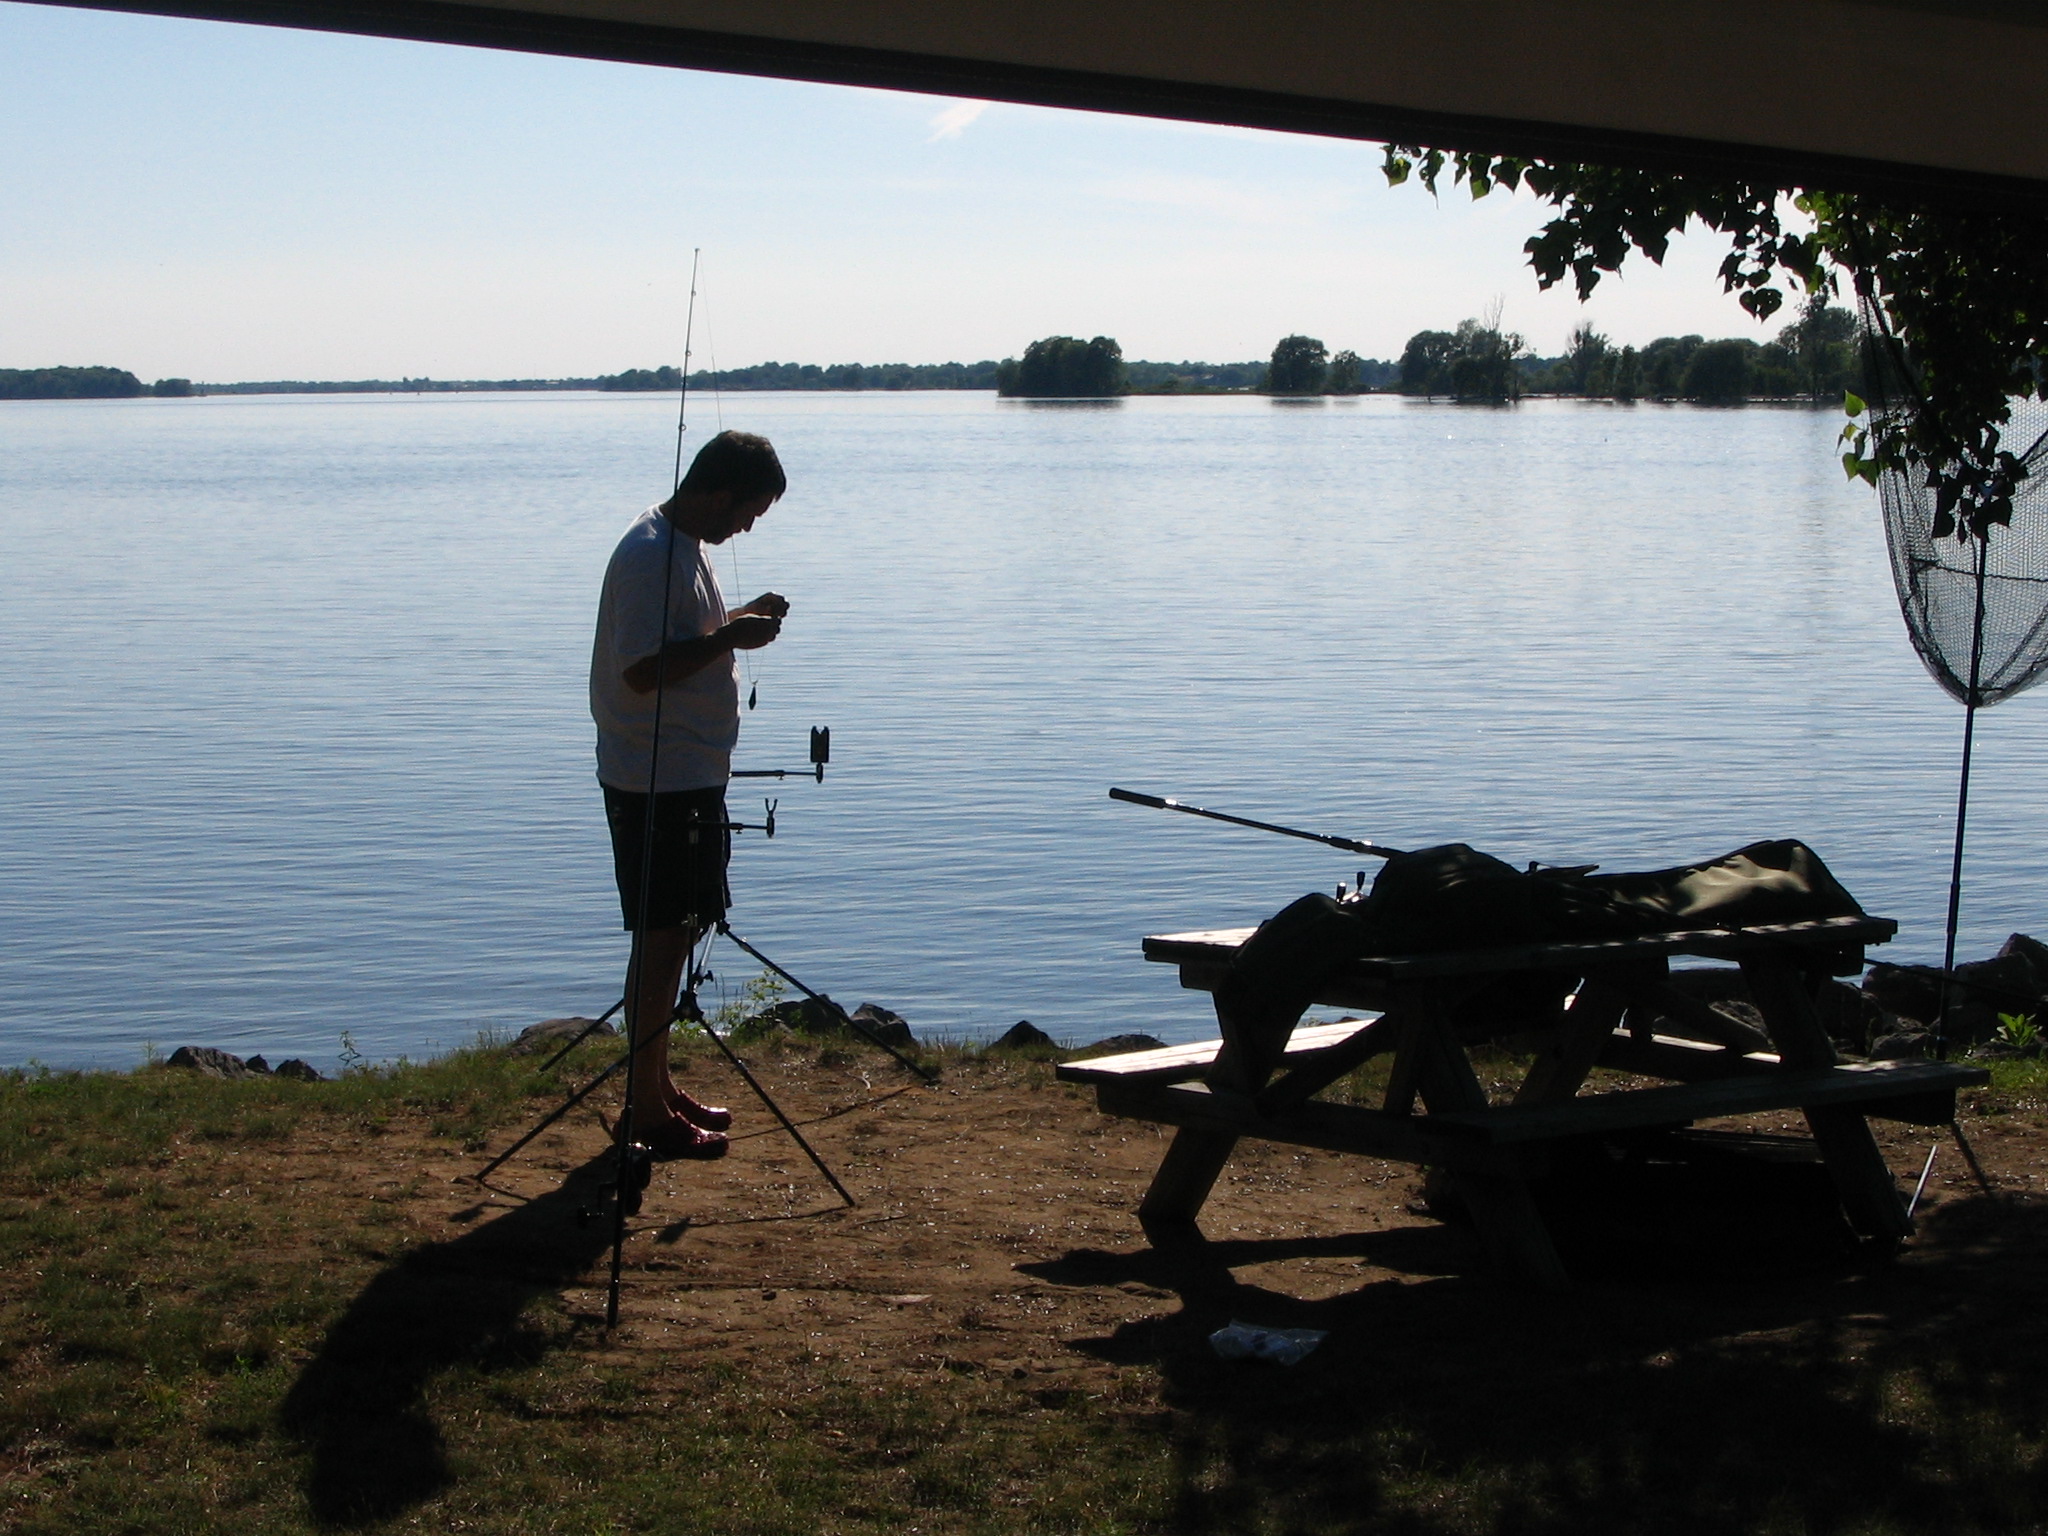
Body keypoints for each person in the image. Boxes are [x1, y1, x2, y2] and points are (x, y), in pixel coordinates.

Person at [590, 429, 789, 1159]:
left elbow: (683, 639)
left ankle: (657, 1084)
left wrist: (731, 623)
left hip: (688, 773)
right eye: (748, 512)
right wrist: (731, 639)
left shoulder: (683, 547)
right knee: (661, 935)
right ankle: (643, 1111)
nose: (746, 528)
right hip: (655, 778)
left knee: (676, 934)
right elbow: (642, 671)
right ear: (716, 490)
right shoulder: (648, 553)